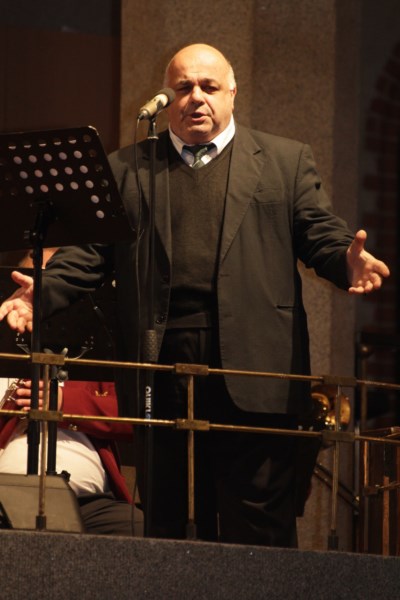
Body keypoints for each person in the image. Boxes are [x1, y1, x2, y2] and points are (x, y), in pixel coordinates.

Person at [0, 44, 390, 547]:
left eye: (209, 86)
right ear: (166, 98)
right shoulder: (129, 168)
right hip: (160, 364)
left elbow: (320, 234)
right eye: (183, 87)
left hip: (254, 366)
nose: (196, 97)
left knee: (258, 528)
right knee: (166, 523)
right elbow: (90, 254)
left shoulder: (283, 160)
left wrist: (346, 261)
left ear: (232, 93)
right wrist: (42, 291)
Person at [0, 249, 135, 536]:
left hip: (91, 503)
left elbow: (136, 414)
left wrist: (64, 403)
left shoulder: (96, 366)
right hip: (4, 496)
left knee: (144, 534)